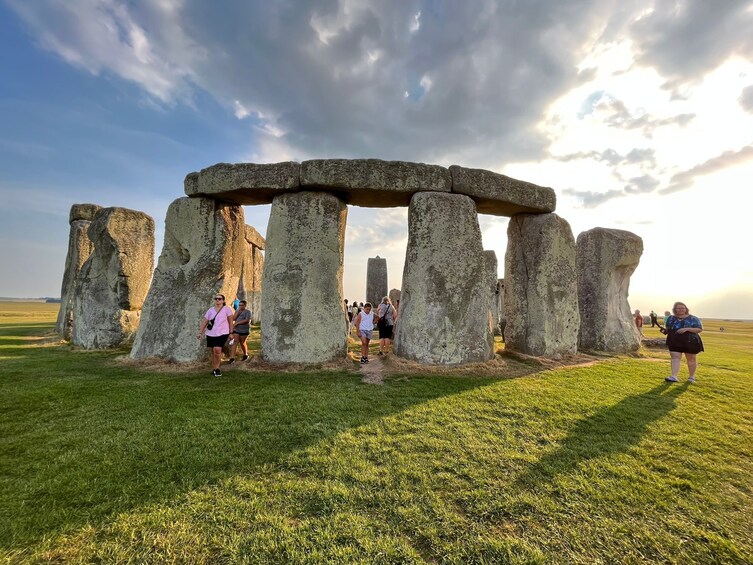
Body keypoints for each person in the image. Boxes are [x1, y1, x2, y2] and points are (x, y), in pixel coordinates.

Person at [663, 301, 703, 383]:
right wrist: (665, 330)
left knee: (691, 359)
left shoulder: (694, 318)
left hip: (690, 341)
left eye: (682, 308)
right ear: (675, 309)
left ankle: (691, 377)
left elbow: (699, 329)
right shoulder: (671, 318)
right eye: (678, 308)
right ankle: (674, 376)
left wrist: (686, 329)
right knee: (675, 358)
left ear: (686, 309)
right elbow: (668, 327)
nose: (681, 309)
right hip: (674, 340)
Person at [198, 293, 234, 377]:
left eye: (220, 299)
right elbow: (205, 321)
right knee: (213, 351)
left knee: (217, 350)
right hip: (211, 333)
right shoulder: (210, 310)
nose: (217, 300)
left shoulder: (227, 309)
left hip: (222, 333)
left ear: (223, 300)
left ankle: (217, 369)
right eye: (216, 299)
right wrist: (200, 332)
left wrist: (231, 332)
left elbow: (230, 322)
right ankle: (214, 368)